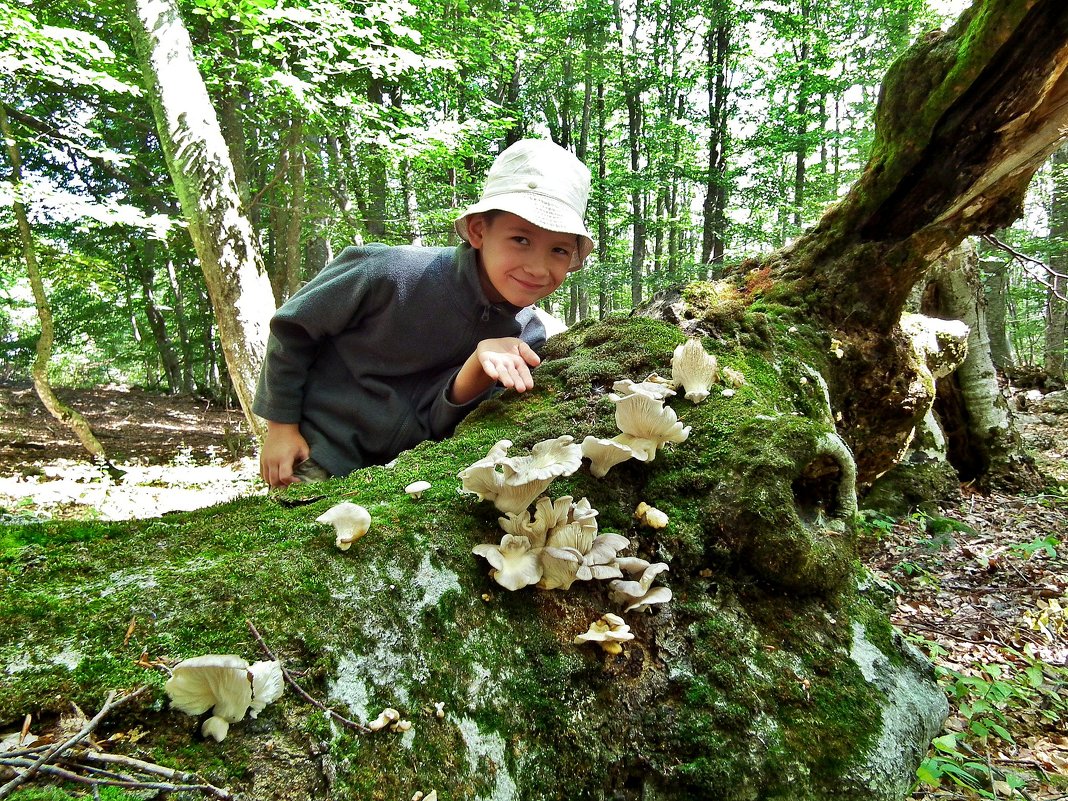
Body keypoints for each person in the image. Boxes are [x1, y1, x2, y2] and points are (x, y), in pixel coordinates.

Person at [253, 138, 594, 487]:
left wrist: (476, 367)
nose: (538, 268)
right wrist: (281, 428)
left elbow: (443, 421)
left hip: (407, 482)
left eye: (558, 249)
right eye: (521, 239)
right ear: (479, 230)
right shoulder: (389, 272)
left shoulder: (528, 340)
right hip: (317, 454)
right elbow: (293, 329)